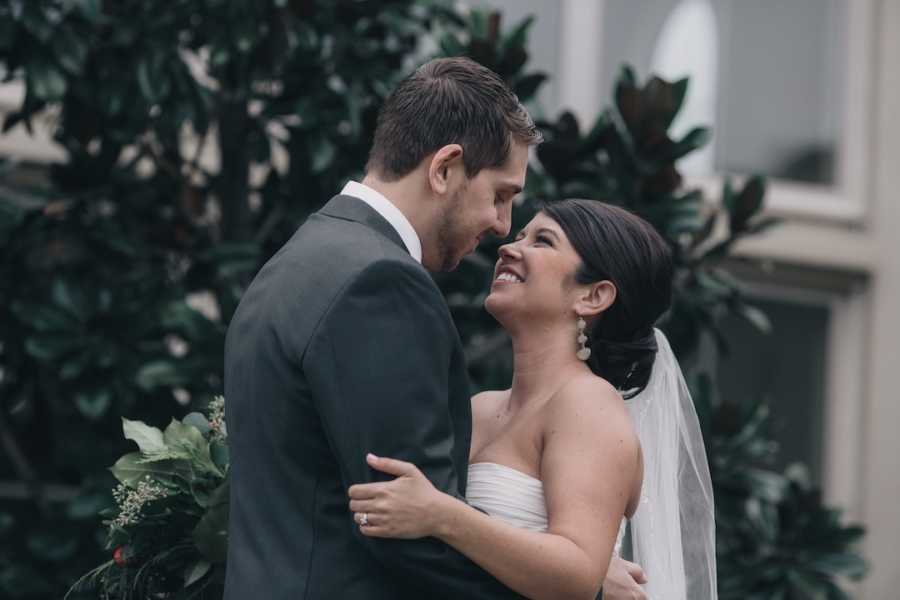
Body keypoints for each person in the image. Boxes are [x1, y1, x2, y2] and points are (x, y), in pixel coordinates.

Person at [223, 57, 649, 599]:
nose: (502, 227)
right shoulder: (380, 283)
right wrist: (581, 589)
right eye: (500, 195)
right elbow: (403, 531)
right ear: (445, 168)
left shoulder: (294, 260)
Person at [347, 200, 718, 600]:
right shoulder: (479, 408)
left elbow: (576, 572)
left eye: (543, 241)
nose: (509, 246)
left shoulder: (588, 405)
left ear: (593, 296)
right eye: (520, 234)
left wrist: (442, 515)